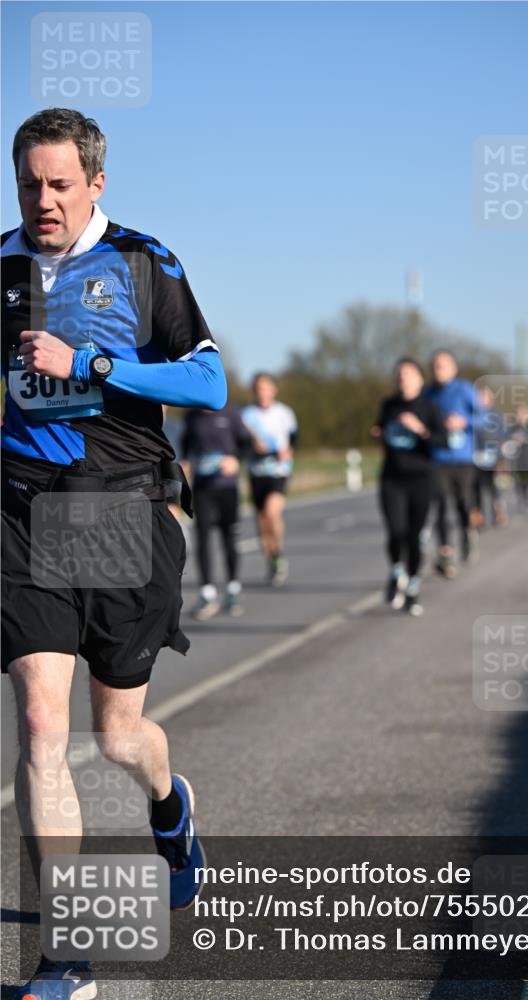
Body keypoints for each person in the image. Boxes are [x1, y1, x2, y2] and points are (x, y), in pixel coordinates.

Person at [1, 108, 226, 999]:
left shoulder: (143, 261)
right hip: (22, 512)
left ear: (97, 182)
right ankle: (67, 955)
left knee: (120, 735)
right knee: (42, 727)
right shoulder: (3, 265)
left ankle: (171, 813)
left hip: (123, 512)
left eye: (60, 184)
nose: (43, 201)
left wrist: (94, 367)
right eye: (29, 184)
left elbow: (207, 379)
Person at [372, 358, 445, 616]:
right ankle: (396, 571)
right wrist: (379, 434)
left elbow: (442, 441)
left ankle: (413, 587)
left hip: (421, 478)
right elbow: (381, 431)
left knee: (413, 537)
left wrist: (420, 429)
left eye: (408, 374)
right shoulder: (388, 405)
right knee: (395, 531)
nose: (403, 378)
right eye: (399, 374)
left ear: (419, 379)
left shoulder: (429, 406)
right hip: (392, 478)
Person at [181, 405, 251, 618]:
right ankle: (207, 593)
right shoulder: (192, 415)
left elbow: (246, 444)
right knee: (202, 537)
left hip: (227, 486)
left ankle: (232, 589)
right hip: (202, 487)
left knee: (229, 536)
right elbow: (186, 444)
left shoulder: (231, 414)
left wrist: (236, 459)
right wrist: (185, 461)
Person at [425, 350, 478, 579]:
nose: (439, 370)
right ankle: (446, 553)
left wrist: (464, 422)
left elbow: (486, 418)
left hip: (463, 458)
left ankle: (468, 532)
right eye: (435, 365)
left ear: (453, 368)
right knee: (441, 506)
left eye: (443, 365)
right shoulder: (428, 393)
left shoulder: (464, 390)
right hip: (437, 458)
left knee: (462, 503)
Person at [241, 373, 298, 585]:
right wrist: (253, 448)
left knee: (272, 512)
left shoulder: (284, 413)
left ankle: (279, 552)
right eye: (258, 388)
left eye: (266, 388)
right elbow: (241, 445)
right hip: (257, 472)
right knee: (262, 521)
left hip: (279, 471)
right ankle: (273, 558)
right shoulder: (246, 415)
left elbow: (294, 438)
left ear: (274, 390)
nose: (262, 392)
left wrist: (288, 451)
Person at [471, 384, 507, 528]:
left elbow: (503, 436)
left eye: (486, 396)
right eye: (481, 396)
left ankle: (498, 513)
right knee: (477, 488)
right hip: (476, 457)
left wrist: (501, 459)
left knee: (494, 488)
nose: (483, 399)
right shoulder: (472, 415)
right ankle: (479, 516)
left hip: (494, 457)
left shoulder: (497, 416)